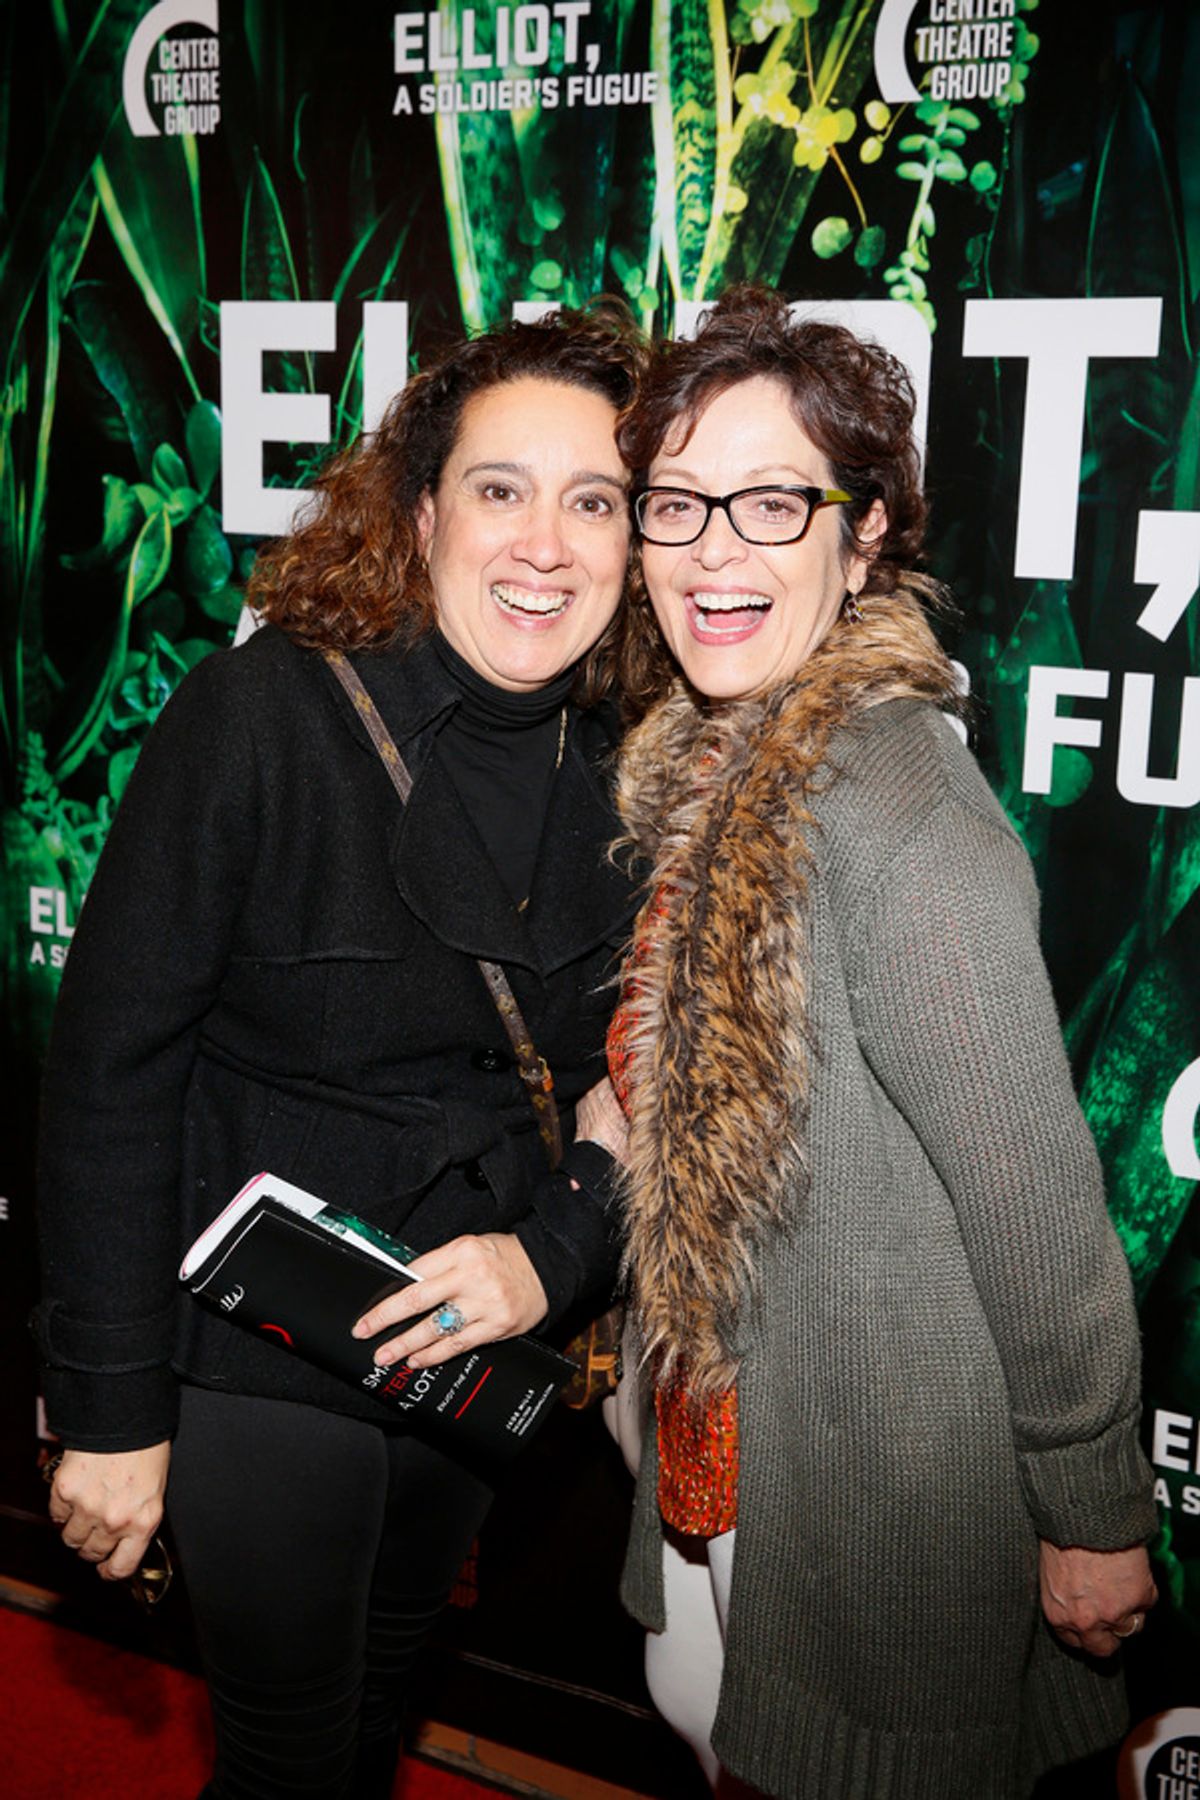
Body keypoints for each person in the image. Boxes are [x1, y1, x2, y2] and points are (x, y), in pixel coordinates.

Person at [34, 304, 642, 1799]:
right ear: (424, 511)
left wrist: (553, 1261)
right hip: (260, 1347)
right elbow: (113, 1073)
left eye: (596, 501)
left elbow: (657, 1076)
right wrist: (110, 1412)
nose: (543, 545)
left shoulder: (643, 760)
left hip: (473, 1344)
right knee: (292, 1754)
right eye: (501, 489)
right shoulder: (263, 717)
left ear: (639, 543)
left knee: (376, 1714)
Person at [603, 285, 1159, 1799]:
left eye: (774, 502)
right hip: (741, 1478)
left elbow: (1037, 1206)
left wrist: (1095, 1504)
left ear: (865, 540)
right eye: (676, 502)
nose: (714, 549)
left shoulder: (898, 811)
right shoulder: (726, 767)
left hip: (883, 1504)